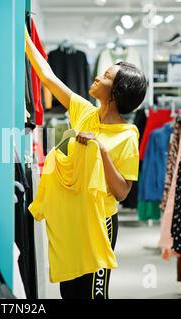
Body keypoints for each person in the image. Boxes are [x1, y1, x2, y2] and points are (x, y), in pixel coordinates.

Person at [25, 28, 147, 299]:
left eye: (105, 77)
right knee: (69, 292)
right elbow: (47, 76)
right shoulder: (85, 113)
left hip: (99, 222)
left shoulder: (127, 136)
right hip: (74, 220)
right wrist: (24, 35)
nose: (96, 77)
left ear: (115, 93)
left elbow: (123, 192)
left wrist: (101, 149)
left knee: (94, 294)